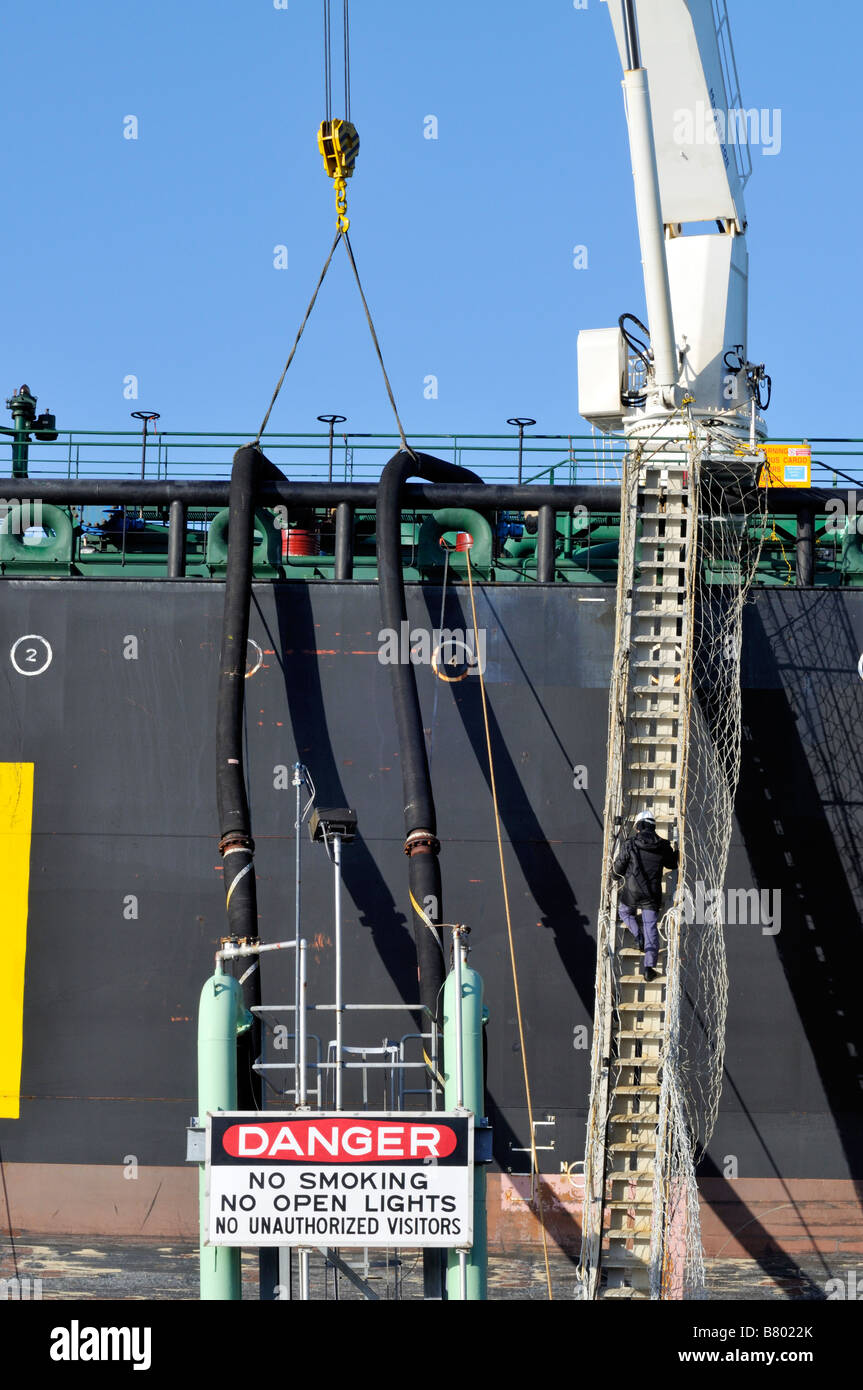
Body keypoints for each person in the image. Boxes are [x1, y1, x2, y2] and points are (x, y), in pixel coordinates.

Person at [612, 810, 678, 981]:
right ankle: (649, 968)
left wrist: (614, 874)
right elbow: (672, 864)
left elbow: (617, 870)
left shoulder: (630, 844)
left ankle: (637, 935)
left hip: (631, 893)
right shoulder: (663, 845)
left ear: (639, 826)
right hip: (652, 894)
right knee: (651, 927)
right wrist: (676, 851)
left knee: (624, 912)